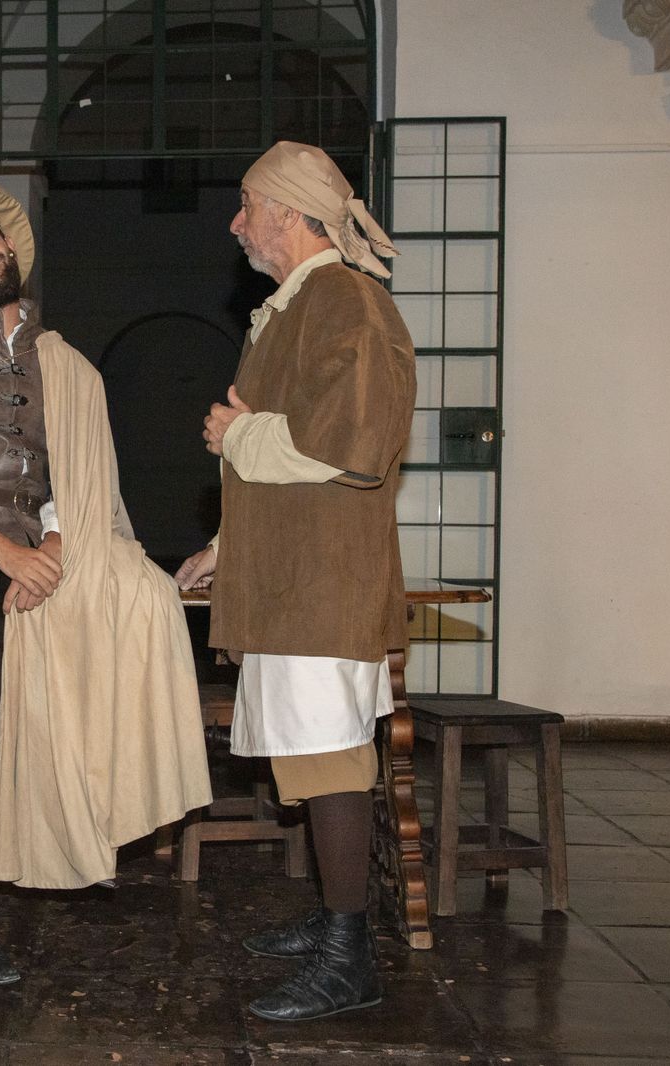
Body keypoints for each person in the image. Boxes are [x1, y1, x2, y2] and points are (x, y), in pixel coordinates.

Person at [0, 179, 210, 987]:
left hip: (34, 550)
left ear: (11, 248)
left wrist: (52, 542)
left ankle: (82, 819)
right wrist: (1, 550)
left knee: (131, 606)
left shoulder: (62, 361)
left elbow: (71, 472)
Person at [174, 142, 416, 1023]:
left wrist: (234, 437)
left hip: (323, 582)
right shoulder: (293, 309)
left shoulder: (347, 299)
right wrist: (226, 544)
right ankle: (331, 921)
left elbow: (353, 445)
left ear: (290, 211)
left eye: (247, 205)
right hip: (288, 575)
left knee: (330, 759)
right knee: (306, 761)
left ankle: (351, 955)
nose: (236, 223)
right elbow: (292, 454)